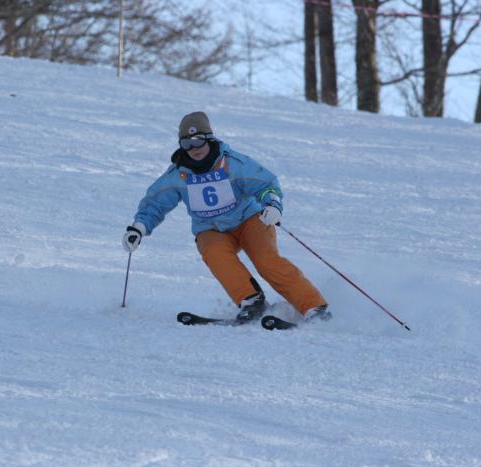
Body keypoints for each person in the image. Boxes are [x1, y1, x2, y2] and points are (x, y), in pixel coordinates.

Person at [122, 111, 330, 322]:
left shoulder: (233, 163)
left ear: (209, 138)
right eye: (187, 144)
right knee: (213, 252)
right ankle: (252, 301)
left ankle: (313, 306)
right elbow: (155, 203)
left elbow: (265, 183)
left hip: (249, 220)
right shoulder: (178, 174)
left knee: (266, 260)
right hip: (211, 228)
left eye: (198, 141)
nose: (194, 148)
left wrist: (272, 204)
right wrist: (139, 228)